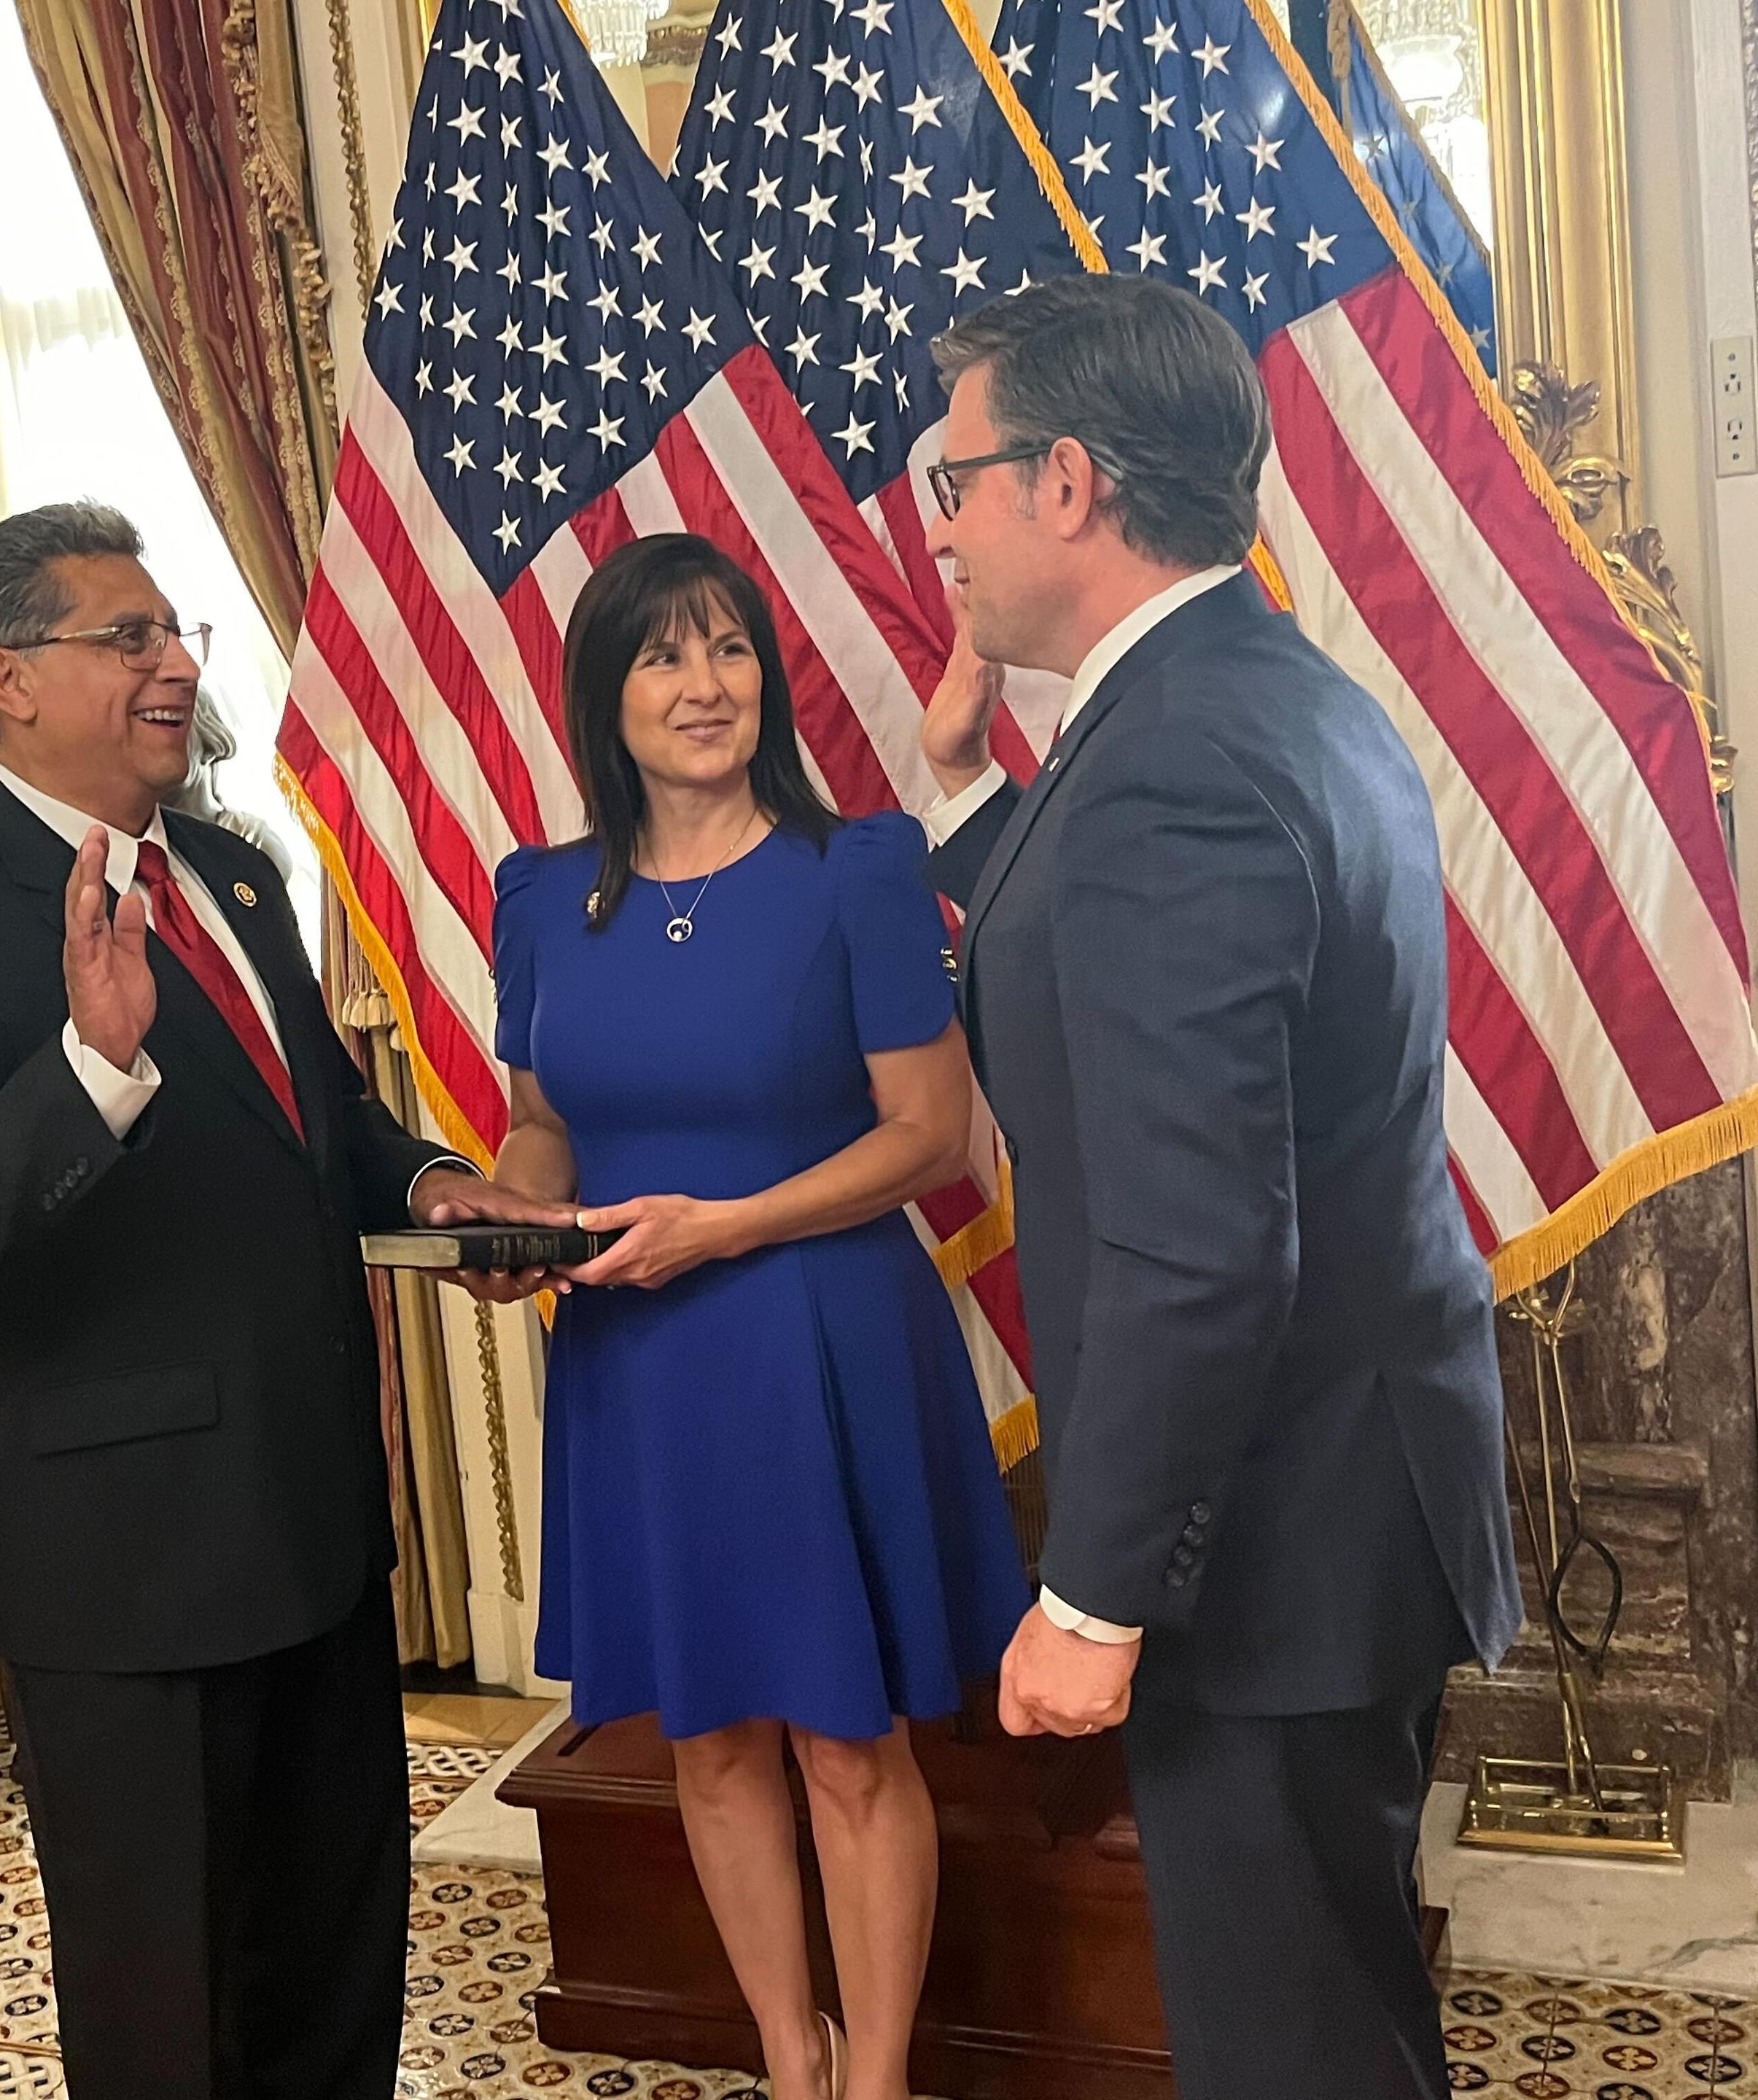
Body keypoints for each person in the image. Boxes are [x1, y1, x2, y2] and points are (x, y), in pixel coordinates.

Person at [917, 274, 1522, 2098]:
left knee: (1296, 2053)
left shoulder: (1167, 766)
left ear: (1069, 481)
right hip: (1341, 1489)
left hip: (1269, 1543)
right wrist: (964, 802)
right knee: (1331, 2014)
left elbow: (1198, 1248)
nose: (937, 526)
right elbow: (1142, 979)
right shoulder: (1252, 696)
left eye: (957, 478)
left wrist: (1093, 1600)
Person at [0, 502, 505, 2100]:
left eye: (172, 631)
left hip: (318, 1534)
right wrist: (89, 1067)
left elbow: (318, 1127)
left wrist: (424, 1186)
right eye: (124, 637)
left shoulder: (232, 873)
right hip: (133, 1578)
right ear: (8, 678)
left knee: (336, 1963)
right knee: (169, 2025)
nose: (172, 663)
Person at [437, 533, 1028, 2100]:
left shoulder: (861, 870)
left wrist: (726, 1227)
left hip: (820, 1340)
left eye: (728, 650)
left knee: (847, 1737)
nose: (704, 686)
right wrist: (516, 1205)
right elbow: (546, 1128)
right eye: (661, 656)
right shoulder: (545, 898)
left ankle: (880, 2079)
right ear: (603, 695)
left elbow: (930, 1137)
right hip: (642, 1362)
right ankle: (792, 2056)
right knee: (706, 1736)